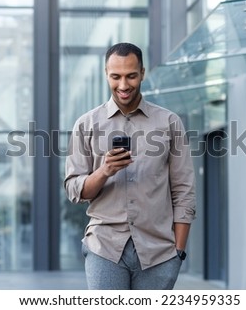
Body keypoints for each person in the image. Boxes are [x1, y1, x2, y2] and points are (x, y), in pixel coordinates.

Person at [64, 42, 196, 290]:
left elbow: (184, 190)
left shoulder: (169, 122)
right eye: (115, 77)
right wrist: (105, 171)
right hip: (105, 248)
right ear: (106, 74)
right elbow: (74, 190)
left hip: (159, 253)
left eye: (131, 76)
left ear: (142, 73)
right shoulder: (86, 125)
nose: (123, 85)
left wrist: (178, 252)